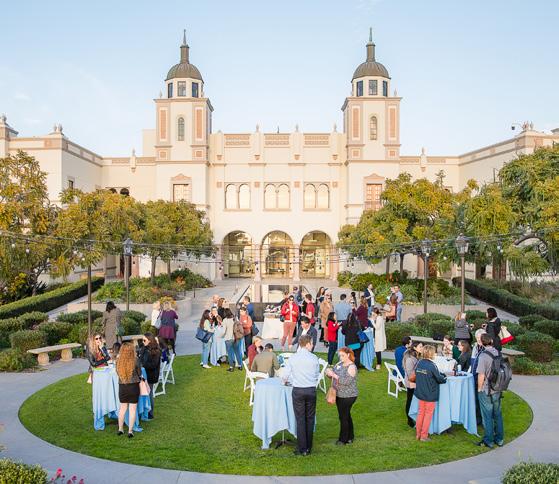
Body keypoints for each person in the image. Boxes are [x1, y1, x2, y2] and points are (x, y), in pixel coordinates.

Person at [282, 335, 320, 456]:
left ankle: (302, 448)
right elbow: (316, 374)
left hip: (298, 390)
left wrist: (285, 381)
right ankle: (308, 447)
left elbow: (285, 375)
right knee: (310, 418)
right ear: (307, 344)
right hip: (310, 390)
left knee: (300, 419)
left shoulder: (293, 358)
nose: (313, 345)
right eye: (312, 343)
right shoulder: (314, 358)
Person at [476, 333, 505, 448]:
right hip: (497, 387)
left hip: (486, 389)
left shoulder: (483, 356)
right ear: (492, 341)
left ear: (482, 343)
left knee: (487, 415)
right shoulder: (498, 352)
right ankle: (500, 439)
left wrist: (479, 388)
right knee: (497, 414)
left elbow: (481, 375)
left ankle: (489, 440)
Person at [414, 344, 447, 442]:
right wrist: (445, 378)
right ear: (431, 353)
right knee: (428, 414)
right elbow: (439, 378)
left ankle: (418, 434)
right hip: (430, 394)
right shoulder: (432, 365)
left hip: (421, 392)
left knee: (421, 413)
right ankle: (424, 436)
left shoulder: (419, 363)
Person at [326, 347, 358, 445]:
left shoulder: (351, 367)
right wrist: (328, 373)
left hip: (349, 395)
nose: (340, 357)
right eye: (340, 355)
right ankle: (350, 437)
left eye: (343, 355)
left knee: (343, 417)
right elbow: (332, 374)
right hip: (339, 394)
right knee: (346, 415)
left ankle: (343, 439)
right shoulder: (339, 364)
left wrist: (334, 375)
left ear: (348, 355)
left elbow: (346, 381)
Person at [116, 342, 142, 438]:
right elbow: (139, 373)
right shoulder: (136, 360)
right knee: (132, 410)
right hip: (133, 387)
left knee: (122, 409)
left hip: (123, 386)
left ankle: (120, 429)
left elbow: (117, 372)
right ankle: (130, 431)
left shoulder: (118, 361)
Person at [139, 333, 161, 419]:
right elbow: (140, 359)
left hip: (151, 375)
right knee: (144, 393)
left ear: (150, 340)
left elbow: (154, 365)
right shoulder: (144, 348)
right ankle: (144, 411)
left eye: (144, 340)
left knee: (149, 393)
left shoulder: (156, 351)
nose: (143, 342)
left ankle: (150, 413)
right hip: (143, 374)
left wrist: (143, 365)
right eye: (142, 340)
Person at [403, 341, 423, 428]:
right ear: (415, 348)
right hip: (411, 382)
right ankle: (409, 420)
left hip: (415, 381)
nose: (422, 348)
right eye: (420, 346)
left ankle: (413, 416)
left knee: (413, 400)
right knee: (410, 400)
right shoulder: (410, 358)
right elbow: (410, 374)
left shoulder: (417, 356)